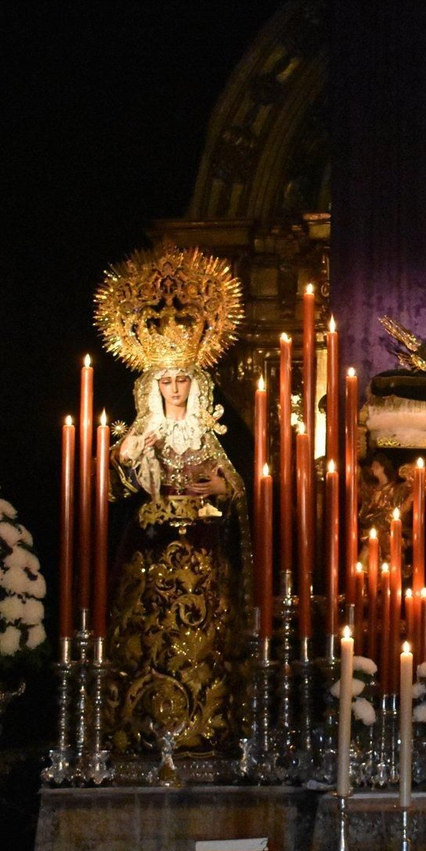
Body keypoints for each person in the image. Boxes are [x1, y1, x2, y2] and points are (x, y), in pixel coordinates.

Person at [95, 246, 249, 759]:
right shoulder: (141, 431)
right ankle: (140, 725)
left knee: (206, 638)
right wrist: (123, 457)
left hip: (204, 547)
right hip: (150, 542)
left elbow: (242, 482)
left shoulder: (212, 430)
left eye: (183, 378)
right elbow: (113, 485)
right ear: (152, 385)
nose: (176, 387)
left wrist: (223, 489)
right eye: (166, 380)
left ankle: (207, 728)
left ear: (197, 383)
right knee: (145, 634)